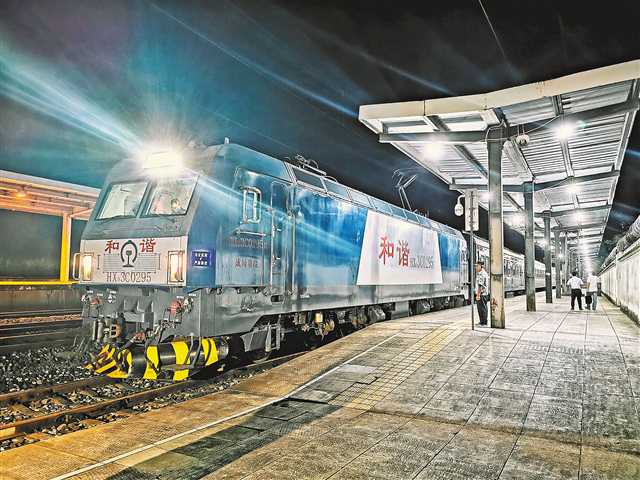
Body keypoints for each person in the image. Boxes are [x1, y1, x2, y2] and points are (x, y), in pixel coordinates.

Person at [475, 261, 490, 326]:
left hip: (482, 294)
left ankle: (483, 322)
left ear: (481, 266)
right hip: (483, 294)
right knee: (482, 308)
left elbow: (480, 285)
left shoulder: (482, 274)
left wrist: (478, 295)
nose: (476, 267)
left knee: (482, 309)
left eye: (477, 266)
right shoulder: (482, 273)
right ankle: (482, 321)